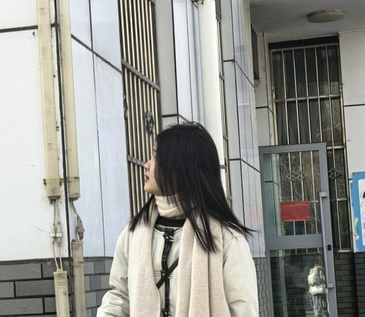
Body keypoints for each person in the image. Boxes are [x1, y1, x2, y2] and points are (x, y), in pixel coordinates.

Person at [97, 123, 259, 317]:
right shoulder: (133, 234)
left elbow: (243, 309)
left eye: (156, 156)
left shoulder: (226, 238)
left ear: (180, 167)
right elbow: (119, 297)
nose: (146, 165)